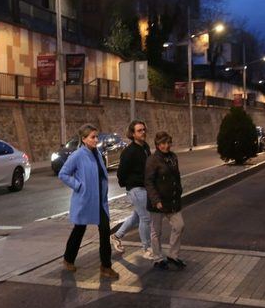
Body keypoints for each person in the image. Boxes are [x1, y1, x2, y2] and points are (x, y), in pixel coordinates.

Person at [59, 124, 119, 280]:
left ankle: (106, 266)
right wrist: (79, 186)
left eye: (96, 136)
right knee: (79, 229)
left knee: (105, 231)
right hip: (85, 200)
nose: (96, 140)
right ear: (84, 139)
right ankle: (68, 259)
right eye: (92, 137)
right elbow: (63, 174)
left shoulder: (97, 153)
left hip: (100, 201)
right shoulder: (78, 155)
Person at [111, 120, 153, 258]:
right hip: (136, 189)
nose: (143, 132)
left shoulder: (145, 147)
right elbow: (121, 172)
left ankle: (116, 236)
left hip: (145, 187)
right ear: (133, 134)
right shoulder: (129, 152)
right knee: (145, 218)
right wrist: (128, 185)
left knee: (137, 216)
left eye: (144, 129)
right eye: (139, 130)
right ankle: (147, 249)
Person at [145, 131, 185, 270]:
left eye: (168, 143)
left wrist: (179, 190)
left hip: (172, 200)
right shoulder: (152, 160)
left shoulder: (173, 157)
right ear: (157, 144)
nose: (166, 146)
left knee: (179, 225)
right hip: (158, 201)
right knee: (156, 231)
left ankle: (173, 255)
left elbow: (177, 176)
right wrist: (156, 200)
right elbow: (148, 182)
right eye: (163, 143)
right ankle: (158, 258)